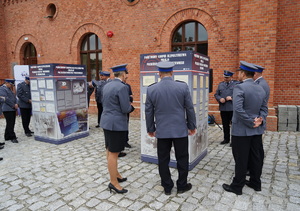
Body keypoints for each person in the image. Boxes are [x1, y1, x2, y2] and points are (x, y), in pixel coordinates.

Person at [145, 61, 197, 195]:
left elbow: (148, 112)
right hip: (180, 130)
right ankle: (182, 185)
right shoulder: (182, 87)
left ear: (159, 73)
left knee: (163, 159)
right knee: (182, 158)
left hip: (162, 131)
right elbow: (189, 109)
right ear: (172, 73)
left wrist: (150, 129)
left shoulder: (152, 89)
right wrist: (191, 126)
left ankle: (167, 186)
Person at [222, 61, 268, 195]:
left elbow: (238, 109)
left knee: (241, 158)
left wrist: (250, 122)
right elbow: (264, 109)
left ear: (243, 73)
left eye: (240, 72)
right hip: (256, 129)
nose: (239, 74)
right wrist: (260, 119)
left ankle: (237, 186)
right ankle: (255, 182)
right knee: (256, 156)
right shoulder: (261, 88)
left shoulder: (239, 88)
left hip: (242, 130)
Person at [100, 64, 135, 194]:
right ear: (123, 74)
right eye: (126, 74)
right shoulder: (122, 87)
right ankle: (113, 182)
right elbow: (125, 108)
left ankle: (116, 175)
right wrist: (132, 107)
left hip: (107, 121)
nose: (127, 76)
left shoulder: (107, 85)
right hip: (116, 124)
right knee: (114, 153)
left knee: (109, 150)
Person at [214, 70, 238, 145]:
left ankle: (233, 141)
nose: (225, 79)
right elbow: (216, 94)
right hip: (223, 108)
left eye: (227, 77)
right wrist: (219, 99)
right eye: (225, 77)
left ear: (231, 77)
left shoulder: (236, 84)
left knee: (234, 125)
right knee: (225, 124)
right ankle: (226, 139)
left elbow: (239, 94)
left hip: (232, 108)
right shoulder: (221, 84)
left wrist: (231, 97)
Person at [0, 79, 19, 143]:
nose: (11, 86)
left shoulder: (8, 88)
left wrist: (16, 103)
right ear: (7, 83)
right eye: (11, 84)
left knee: (10, 123)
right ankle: (12, 137)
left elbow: (14, 97)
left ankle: (7, 136)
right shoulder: (2, 89)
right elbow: (5, 99)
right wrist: (13, 105)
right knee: (10, 123)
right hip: (7, 109)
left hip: (12, 108)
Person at [123, 76, 133, 149]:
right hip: (120, 109)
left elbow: (131, 96)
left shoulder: (127, 86)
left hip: (126, 108)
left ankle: (126, 140)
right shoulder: (120, 86)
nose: (125, 80)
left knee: (126, 125)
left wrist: (129, 100)